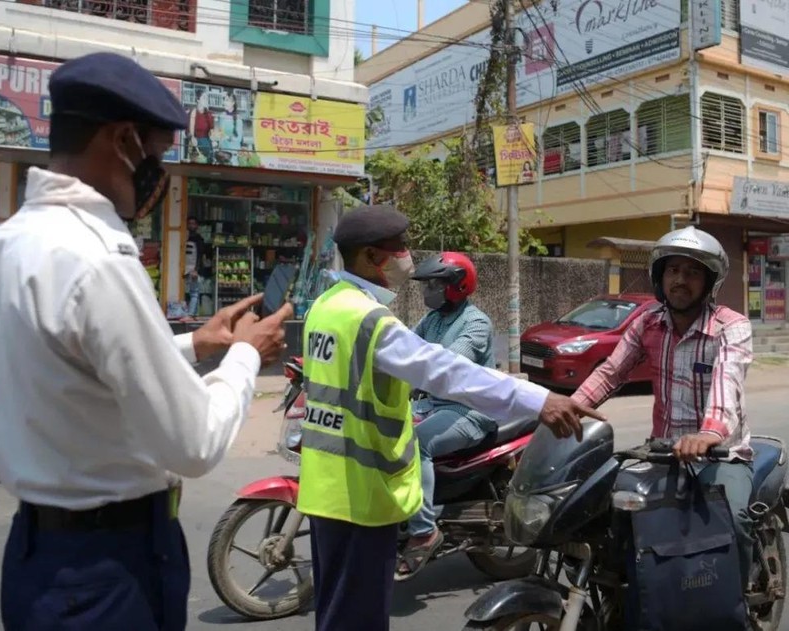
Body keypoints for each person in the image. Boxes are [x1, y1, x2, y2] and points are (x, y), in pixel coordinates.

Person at [0, 52, 293, 631]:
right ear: (123, 139)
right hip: (110, 566)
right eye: (156, 155)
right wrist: (247, 354)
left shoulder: (9, 242)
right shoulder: (98, 258)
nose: (159, 174)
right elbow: (193, 443)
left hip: (38, 557)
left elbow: (69, 372)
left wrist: (196, 345)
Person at [297, 204, 605, 631]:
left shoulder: (325, 307)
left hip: (325, 490)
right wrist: (540, 400)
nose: (406, 257)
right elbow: (446, 371)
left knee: (336, 613)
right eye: (399, 248)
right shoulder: (369, 319)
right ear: (371, 257)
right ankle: (424, 530)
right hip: (362, 498)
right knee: (357, 619)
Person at [572, 225, 754, 589]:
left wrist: (708, 433)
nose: (680, 280)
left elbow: (726, 382)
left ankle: (741, 596)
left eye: (692, 272)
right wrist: (569, 407)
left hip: (722, 454)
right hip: (662, 453)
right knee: (610, 508)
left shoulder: (730, 327)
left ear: (709, 282)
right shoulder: (648, 322)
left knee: (734, 520)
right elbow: (611, 373)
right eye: (673, 270)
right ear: (660, 276)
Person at [396, 251, 496, 579]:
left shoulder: (476, 323)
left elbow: (450, 362)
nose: (428, 291)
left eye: (435, 284)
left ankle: (424, 531)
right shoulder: (434, 318)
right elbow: (405, 343)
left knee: (416, 441)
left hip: (469, 410)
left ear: (458, 285)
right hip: (433, 404)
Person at [185, 215, 205, 316]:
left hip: (192, 269)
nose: (191, 226)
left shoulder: (199, 239)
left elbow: (200, 256)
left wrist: (196, 270)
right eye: (189, 223)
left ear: (197, 226)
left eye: (193, 224)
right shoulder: (183, 237)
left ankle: (191, 314)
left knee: (194, 293)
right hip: (183, 269)